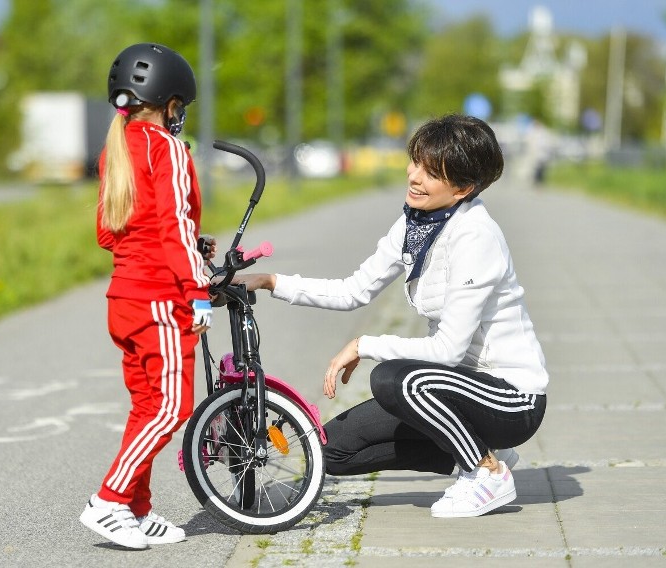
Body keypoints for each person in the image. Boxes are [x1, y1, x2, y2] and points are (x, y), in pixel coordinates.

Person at [234, 114, 548, 518]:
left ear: (463, 188)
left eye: (432, 173)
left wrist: (366, 345)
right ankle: (480, 446)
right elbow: (353, 290)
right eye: (415, 162)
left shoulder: (476, 236)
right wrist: (269, 280)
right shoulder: (416, 222)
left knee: (392, 378)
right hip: (454, 392)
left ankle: (486, 473)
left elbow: (448, 351)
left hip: (510, 398)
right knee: (330, 451)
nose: (414, 177)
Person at [79, 42, 215, 549]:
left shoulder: (116, 149)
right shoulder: (168, 149)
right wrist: (197, 290)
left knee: (145, 405)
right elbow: (175, 226)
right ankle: (110, 500)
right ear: (170, 103)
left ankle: (137, 508)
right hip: (160, 300)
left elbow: (110, 234)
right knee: (171, 409)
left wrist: (184, 248)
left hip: (124, 300)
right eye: (180, 106)